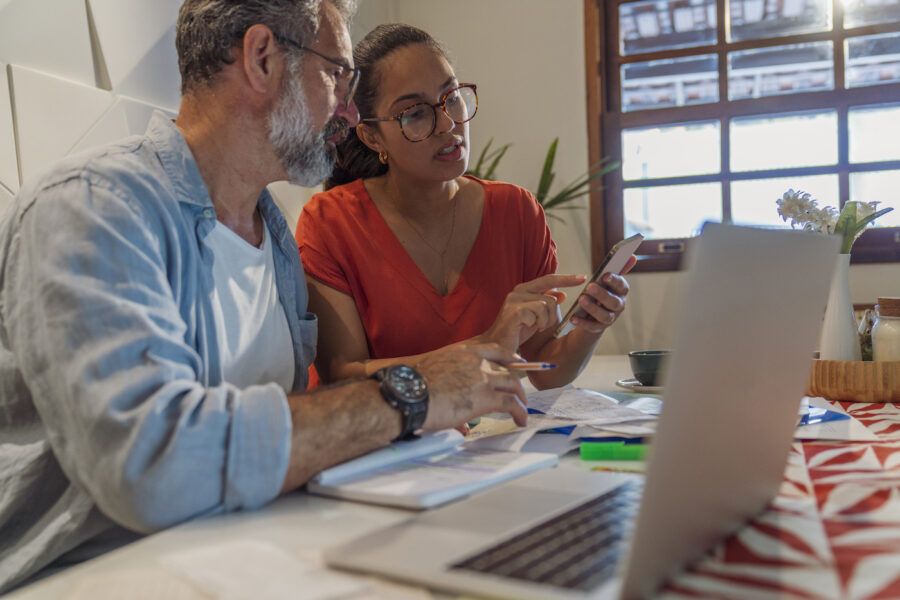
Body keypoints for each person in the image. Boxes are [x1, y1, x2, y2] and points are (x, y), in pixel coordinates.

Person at [0, 1, 528, 593]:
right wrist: (412, 395)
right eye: (338, 75)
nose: (351, 110)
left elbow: (287, 429)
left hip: (243, 556)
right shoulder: (94, 208)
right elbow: (153, 465)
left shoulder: (271, 231)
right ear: (262, 58)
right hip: (89, 576)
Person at [296, 24, 634, 391]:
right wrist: (489, 342)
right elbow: (343, 375)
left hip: (478, 442)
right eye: (415, 113)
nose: (448, 124)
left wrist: (588, 327)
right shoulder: (330, 221)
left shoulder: (516, 211)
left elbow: (544, 367)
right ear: (372, 135)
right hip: (373, 442)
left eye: (451, 96)